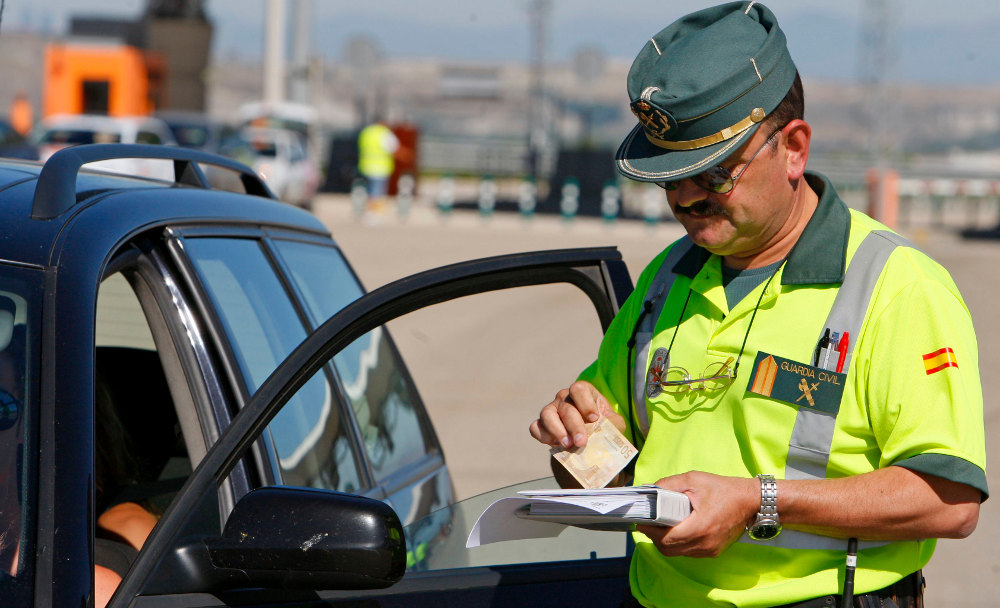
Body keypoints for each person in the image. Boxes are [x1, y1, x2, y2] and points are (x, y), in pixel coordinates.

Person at [528, 3, 986, 607]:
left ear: (793, 148)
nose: (686, 199)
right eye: (669, 179)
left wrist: (758, 502)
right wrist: (577, 441)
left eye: (714, 174)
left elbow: (950, 501)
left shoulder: (896, 286)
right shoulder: (667, 277)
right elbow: (609, 474)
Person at [357, 119, 400, 219]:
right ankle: (375, 213)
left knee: (369, 190)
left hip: (366, 166)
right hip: (380, 168)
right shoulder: (384, 134)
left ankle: (367, 210)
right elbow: (394, 148)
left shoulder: (367, 132)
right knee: (377, 192)